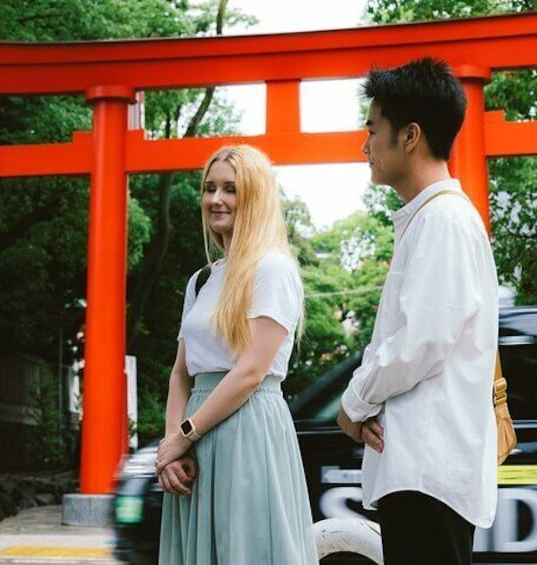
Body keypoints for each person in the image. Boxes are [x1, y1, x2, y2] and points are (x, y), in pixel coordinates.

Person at [337, 58, 498, 565]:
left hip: (429, 472)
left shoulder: (444, 220)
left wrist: (353, 404)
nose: (364, 147)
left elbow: (418, 342)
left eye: (372, 130)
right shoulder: (431, 219)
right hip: (419, 467)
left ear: (409, 135)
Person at [155, 145, 317, 564]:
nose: (215, 199)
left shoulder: (273, 269)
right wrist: (173, 446)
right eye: (209, 189)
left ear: (255, 197)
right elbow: (180, 374)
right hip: (195, 433)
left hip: (247, 429)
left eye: (230, 189)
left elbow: (250, 372)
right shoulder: (201, 280)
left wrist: (185, 435)